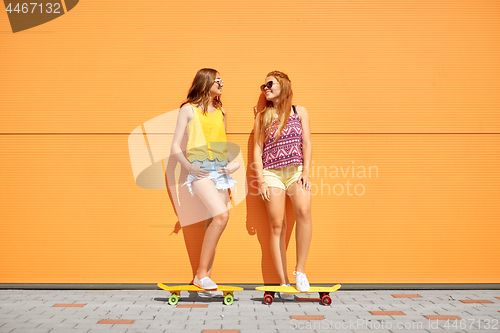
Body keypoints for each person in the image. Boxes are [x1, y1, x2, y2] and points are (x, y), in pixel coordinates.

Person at [171, 68, 239, 291]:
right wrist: (190, 167)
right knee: (222, 216)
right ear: (206, 81)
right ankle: (201, 274)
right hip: (201, 170)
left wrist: (234, 164)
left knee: (214, 223)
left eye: (222, 80)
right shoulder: (188, 110)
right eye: (218, 80)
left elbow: (223, 145)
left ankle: (205, 277)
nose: (222, 83)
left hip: (221, 171)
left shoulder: (221, 111)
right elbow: (174, 147)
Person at [253, 71, 313, 296]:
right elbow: (257, 150)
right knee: (277, 225)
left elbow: (306, 143)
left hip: (296, 171)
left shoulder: (299, 111)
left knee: (304, 212)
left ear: (284, 85)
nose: (265, 88)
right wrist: (261, 181)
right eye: (263, 86)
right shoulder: (262, 116)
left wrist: (306, 171)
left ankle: (300, 271)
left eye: (270, 84)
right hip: (272, 174)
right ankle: (283, 281)